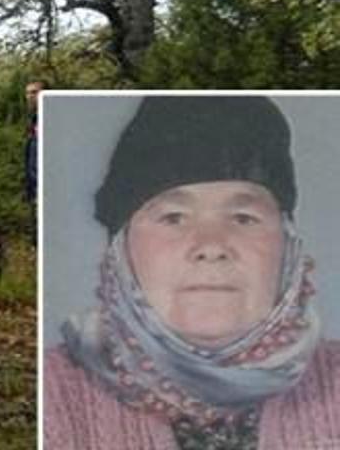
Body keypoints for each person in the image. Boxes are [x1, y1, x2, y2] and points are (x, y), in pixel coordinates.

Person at [44, 95, 340, 449]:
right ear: (121, 250)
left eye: (243, 218)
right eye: (174, 218)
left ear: (288, 245)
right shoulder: (53, 393)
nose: (211, 246)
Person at [23, 80, 45, 247]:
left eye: (34, 92)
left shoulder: (52, 116)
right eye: (28, 93)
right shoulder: (35, 119)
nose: (30, 97)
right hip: (34, 179)